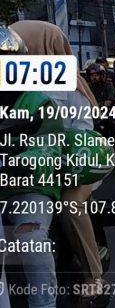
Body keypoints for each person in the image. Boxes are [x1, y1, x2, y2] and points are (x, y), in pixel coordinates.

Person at [11, 20, 114, 301]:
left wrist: (54, 147)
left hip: (68, 168)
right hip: (18, 169)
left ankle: (93, 277)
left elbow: (84, 128)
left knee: (69, 204)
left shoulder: (67, 82)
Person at [0, 26, 62, 308]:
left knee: (32, 237)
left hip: (26, 187)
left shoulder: (38, 101)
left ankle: (43, 304)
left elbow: (48, 147)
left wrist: (22, 163)